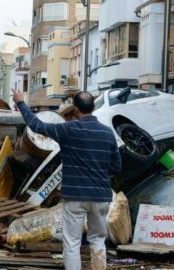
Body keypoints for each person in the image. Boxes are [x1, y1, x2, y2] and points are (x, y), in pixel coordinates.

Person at [12, 89, 122, 270]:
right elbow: (116, 167)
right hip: (101, 197)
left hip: (75, 197)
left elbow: (36, 125)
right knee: (97, 240)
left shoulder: (67, 130)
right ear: (93, 107)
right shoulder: (107, 133)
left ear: (75, 109)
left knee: (72, 243)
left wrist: (21, 103)